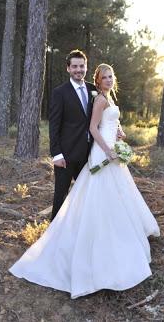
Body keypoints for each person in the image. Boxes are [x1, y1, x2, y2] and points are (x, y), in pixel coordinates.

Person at [9, 63, 160, 299]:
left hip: (109, 149)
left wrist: (120, 134)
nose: (109, 80)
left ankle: (118, 236)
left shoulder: (105, 97)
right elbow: (92, 126)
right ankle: (83, 239)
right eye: (104, 77)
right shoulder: (99, 99)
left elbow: (107, 123)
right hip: (101, 153)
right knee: (96, 195)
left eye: (111, 76)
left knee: (116, 195)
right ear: (97, 81)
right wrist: (108, 150)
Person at [47, 50, 98, 221]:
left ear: (86, 67)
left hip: (88, 154)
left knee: (86, 194)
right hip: (66, 155)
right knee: (61, 195)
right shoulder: (60, 92)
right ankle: (53, 234)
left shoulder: (93, 89)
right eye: (74, 66)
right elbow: (54, 125)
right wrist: (56, 154)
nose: (79, 69)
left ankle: (79, 228)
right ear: (68, 68)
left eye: (82, 66)